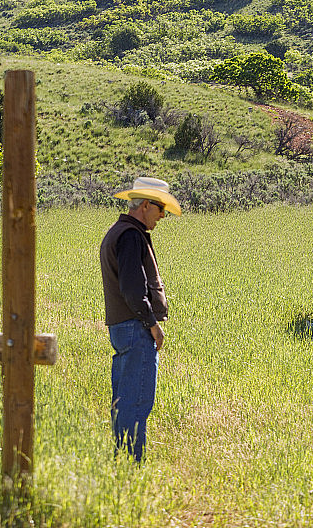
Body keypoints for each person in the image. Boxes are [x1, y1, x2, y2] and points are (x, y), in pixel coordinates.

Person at [99, 177, 181, 462]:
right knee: (136, 402)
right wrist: (153, 325)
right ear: (145, 205)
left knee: (124, 401)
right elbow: (134, 290)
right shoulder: (132, 235)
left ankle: (121, 462)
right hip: (136, 329)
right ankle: (131, 467)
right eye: (160, 208)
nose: (162, 215)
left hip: (123, 328)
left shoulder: (120, 231)